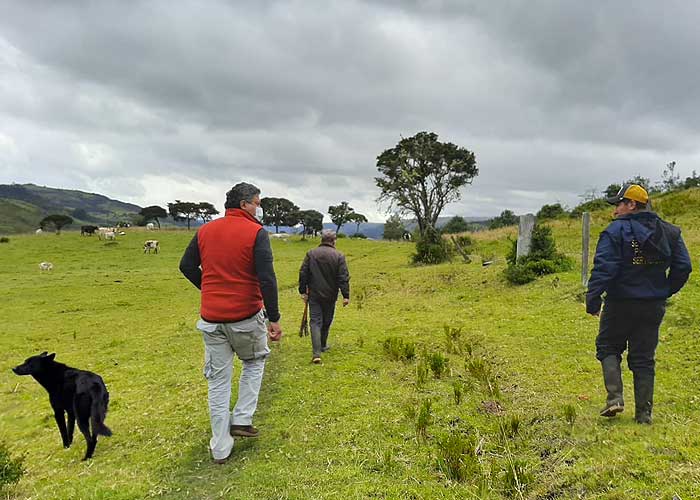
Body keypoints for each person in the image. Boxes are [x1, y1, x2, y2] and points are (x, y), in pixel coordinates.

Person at [179, 182, 283, 464]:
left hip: (211, 319)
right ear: (244, 205)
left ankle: (220, 446)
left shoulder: (205, 230)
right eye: (257, 203)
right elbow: (267, 278)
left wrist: (209, 288)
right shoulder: (256, 233)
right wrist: (274, 318)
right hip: (246, 316)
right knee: (254, 361)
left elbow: (186, 266)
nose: (259, 208)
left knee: (218, 381)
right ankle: (242, 417)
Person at [586, 184, 691, 424]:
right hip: (652, 305)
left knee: (608, 346)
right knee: (644, 358)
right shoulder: (670, 232)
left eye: (619, 204)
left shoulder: (615, 232)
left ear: (632, 204)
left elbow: (605, 268)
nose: (615, 211)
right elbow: (684, 266)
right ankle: (644, 415)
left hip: (619, 302)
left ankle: (615, 399)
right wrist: (664, 290)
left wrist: (593, 300)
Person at [298, 229, 350, 363]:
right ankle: (322, 345)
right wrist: (345, 295)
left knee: (315, 321)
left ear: (321, 240)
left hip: (314, 294)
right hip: (331, 295)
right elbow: (343, 277)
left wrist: (302, 291)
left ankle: (316, 353)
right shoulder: (339, 256)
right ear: (334, 241)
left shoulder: (311, 254)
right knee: (327, 320)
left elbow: (303, 273)